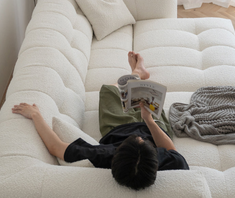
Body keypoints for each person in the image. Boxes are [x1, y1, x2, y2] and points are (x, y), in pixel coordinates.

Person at [12, 52, 189, 190]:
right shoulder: (171, 164)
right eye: (143, 142)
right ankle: (138, 74)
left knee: (109, 90)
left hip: (119, 125)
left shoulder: (104, 155)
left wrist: (36, 115)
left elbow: (56, 147)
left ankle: (136, 73)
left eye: (137, 140)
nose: (140, 136)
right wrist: (148, 121)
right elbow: (170, 149)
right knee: (141, 95)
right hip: (155, 128)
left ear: (116, 151)